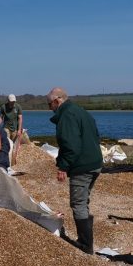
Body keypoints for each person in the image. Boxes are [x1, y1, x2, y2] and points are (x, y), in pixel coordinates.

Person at [48, 87, 103, 254]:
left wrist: (63, 166)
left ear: (57, 101)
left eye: (49, 104)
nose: (49, 108)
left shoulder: (67, 116)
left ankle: (85, 245)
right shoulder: (81, 111)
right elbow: (95, 134)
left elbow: (70, 144)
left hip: (82, 166)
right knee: (83, 201)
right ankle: (86, 241)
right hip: (95, 163)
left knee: (78, 203)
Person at [0, 94, 24, 161]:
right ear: (8, 101)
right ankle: (5, 158)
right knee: (7, 143)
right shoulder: (3, 107)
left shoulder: (18, 107)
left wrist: (19, 130)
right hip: (6, 127)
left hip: (15, 128)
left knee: (14, 145)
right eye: (11, 101)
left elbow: (20, 118)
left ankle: (13, 159)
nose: (12, 103)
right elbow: (1, 118)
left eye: (13, 101)